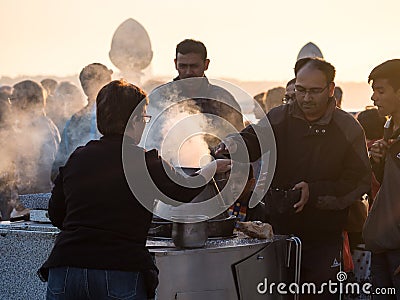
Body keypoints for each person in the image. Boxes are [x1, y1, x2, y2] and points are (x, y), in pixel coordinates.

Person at [39, 79, 231, 300]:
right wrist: (212, 168)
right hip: (120, 270)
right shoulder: (145, 161)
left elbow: (56, 214)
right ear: (134, 121)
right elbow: (183, 190)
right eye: (144, 117)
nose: (144, 124)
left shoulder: (78, 158)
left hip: (65, 270)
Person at [216, 57, 371, 299]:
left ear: (330, 89)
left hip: (323, 237)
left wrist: (314, 192)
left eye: (314, 91)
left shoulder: (348, 128)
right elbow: (251, 139)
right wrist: (231, 145)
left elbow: (358, 181)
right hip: (277, 231)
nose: (306, 98)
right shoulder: (279, 118)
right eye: (300, 90)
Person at [362, 59, 400, 299]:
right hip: (381, 243)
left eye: (381, 90)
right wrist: (378, 162)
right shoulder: (388, 128)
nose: (374, 97)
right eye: (373, 90)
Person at [171, 39, 244, 147]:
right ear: (175, 63)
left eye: (194, 66)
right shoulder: (160, 99)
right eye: (183, 66)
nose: (188, 72)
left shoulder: (223, 100)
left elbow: (239, 141)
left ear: (206, 64)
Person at [51, 63, 112, 180]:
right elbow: (57, 168)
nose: (88, 85)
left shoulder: (116, 115)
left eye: (92, 80)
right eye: (85, 82)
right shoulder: (75, 120)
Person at [11, 80, 60, 194]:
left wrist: (27, 201)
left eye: (13, 99)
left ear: (25, 101)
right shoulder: (27, 126)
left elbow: (46, 174)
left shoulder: (42, 128)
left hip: (38, 202)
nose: (11, 104)